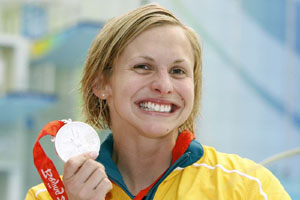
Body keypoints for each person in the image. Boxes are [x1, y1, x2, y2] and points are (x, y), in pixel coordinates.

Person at [26, 3, 291, 200]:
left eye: (178, 71)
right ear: (101, 84)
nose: (163, 86)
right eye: (143, 67)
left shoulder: (248, 188)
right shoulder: (49, 196)